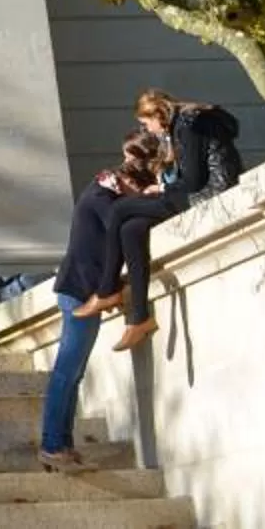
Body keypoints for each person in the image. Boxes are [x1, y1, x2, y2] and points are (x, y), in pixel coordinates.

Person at [79, 88, 246, 354]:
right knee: (131, 229)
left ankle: (108, 288)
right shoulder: (181, 125)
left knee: (121, 209)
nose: (148, 130)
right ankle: (139, 318)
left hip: (208, 194)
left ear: (157, 114)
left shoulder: (189, 125)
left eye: (146, 123)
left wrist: (161, 190)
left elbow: (193, 181)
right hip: (198, 192)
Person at [38, 138, 160, 472]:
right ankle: (52, 445)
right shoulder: (102, 198)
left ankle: (61, 445)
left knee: (71, 374)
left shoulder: (102, 190)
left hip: (79, 288)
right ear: (128, 183)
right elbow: (119, 228)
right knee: (67, 372)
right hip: (79, 291)